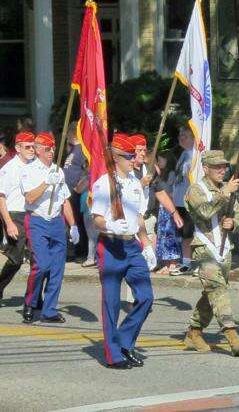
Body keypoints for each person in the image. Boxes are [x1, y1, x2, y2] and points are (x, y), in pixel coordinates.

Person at [91, 132, 156, 369]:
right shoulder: (103, 183)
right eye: (129, 156)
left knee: (146, 297)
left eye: (133, 156)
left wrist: (146, 244)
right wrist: (108, 224)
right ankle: (113, 354)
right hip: (110, 245)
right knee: (111, 303)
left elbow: (138, 217)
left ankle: (125, 341)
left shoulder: (135, 184)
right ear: (116, 157)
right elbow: (97, 218)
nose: (133, 160)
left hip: (131, 246)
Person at [182, 150, 239, 357]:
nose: (222, 170)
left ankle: (194, 332)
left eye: (224, 167)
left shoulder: (226, 188)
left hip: (225, 249)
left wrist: (233, 223)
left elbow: (237, 215)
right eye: (217, 167)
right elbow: (204, 211)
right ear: (206, 168)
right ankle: (232, 336)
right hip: (204, 248)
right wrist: (225, 193)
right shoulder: (196, 189)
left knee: (213, 292)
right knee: (218, 289)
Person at [20, 132, 79, 324]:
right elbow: (29, 197)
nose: (51, 151)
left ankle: (49, 310)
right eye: (47, 148)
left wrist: (73, 225)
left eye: (53, 148)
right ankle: (30, 302)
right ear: (37, 150)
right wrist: (47, 182)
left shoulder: (57, 170)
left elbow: (64, 201)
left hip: (56, 221)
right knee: (41, 265)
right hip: (37, 220)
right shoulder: (28, 170)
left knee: (57, 268)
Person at [0, 130, 36, 308]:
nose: (31, 150)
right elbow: (1, 197)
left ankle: (33, 297)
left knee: (37, 259)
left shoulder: (36, 166)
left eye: (33, 147)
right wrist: (8, 223)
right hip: (15, 214)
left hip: (33, 215)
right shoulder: (8, 169)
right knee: (15, 260)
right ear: (18, 148)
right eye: (27, 147)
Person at [150, 153, 183, 274]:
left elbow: (168, 190)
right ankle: (165, 263)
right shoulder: (161, 174)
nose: (158, 163)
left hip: (169, 207)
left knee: (170, 235)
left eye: (160, 161)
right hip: (162, 208)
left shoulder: (171, 174)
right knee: (162, 236)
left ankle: (173, 263)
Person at [171, 127, 195, 275]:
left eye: (185, 136)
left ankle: (190, 263)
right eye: (180, 135)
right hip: (178, 201)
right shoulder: (184, 155)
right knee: (183, 234)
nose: (181, 138)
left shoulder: (195, 156)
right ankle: (185, 262)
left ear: (194, 138)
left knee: (189, 234)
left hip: (189, 202)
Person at [63, 122, 88, 260]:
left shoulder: (82, 150)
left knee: (77, 221)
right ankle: (71, 250)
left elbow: (87, 171)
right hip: (67, 192)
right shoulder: (73, 150)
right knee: (69, 221)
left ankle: (80, 251)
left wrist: (79, 187)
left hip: (75, 193)